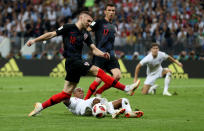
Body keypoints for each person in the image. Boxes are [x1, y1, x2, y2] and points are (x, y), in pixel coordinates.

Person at [27, 11, 139, 116]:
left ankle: (40, 106)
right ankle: (126, 88)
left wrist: (102, 54)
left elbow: (93, 48)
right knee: (98, 71)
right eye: (88, 21)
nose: (90, 23)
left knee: (66, 94)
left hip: (74, 63)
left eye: (91, 22)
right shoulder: (68, 27)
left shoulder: (85, 34)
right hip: (73, 61)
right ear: (81, 18)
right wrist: (34, 40)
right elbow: (51, 34)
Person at [84, 3, 140, 99]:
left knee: (117, 76)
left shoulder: (114, 26)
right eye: (109, 10)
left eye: (113, 10)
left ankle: (99, 92)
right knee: (98, 80)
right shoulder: (98, 22)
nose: (111, 12)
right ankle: (85, 100)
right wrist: (91, 46)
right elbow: (86, 30)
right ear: (105, 11)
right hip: (100, 54)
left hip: (111, 55)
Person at [64, 87, 144, 119]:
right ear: (73, 93)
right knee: (96, 99)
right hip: (82, 108)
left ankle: (129, 112)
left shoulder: (84, 100)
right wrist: (67, 92)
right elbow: (65, 101)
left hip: (96, 107)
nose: (81, 91)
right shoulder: (73, 100)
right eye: (79, 91)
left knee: (124, 100)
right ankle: (113, 112)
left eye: (82, 91)